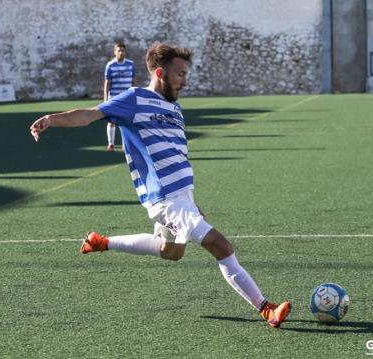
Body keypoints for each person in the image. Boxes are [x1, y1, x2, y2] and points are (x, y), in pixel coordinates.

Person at [30, 42, 291, 328]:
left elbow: (177, 158)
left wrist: (192, 203)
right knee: (222, 247)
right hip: (165, 199)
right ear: (160, 72)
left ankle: (101, 242)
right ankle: (266, 309)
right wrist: (51, 120)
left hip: (181, 197)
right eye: (180, 74)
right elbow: (90, 113)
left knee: (172, 253)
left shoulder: (176, 109)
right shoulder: (135, 99)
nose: (185, 80)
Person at [103, 42, 135, 151]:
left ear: (125, 52)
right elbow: (107, 82)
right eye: (119, 51)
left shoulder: (131, 64)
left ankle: (124, 144)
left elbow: (133, 81)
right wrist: (105, 98)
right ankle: (111, 144)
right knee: (111, 121)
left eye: (123, 50)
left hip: (127, 98)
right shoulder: (110, 65)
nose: (121, 53)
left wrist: (134, 95)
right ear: (115, 52)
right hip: (114, 98)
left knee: (125, 121)